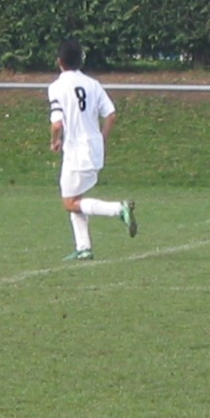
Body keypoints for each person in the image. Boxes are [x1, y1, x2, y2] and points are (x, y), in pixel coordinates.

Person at [48, 38, 136, 260]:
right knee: (76, 199)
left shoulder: (57, 87)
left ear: (59, 61)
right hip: (94, 149)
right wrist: (101, 138)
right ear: (81, 60)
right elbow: (111, 115)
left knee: (69, 203)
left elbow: (57, 124)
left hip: (76, 151)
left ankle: (118, 209)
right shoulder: (93, 84)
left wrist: (54, 141)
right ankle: (84, 248)